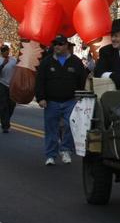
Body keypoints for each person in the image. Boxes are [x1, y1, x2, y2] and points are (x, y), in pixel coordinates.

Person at [35, 35, 88, 166]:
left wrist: (80, 96)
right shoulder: (47, 62)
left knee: (72, 126)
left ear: (66, 46)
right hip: (51, 101)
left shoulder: (76, 62)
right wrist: (41, 98)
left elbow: (82, 80)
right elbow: (39, 81)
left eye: (60, 44)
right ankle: (50, 155)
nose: (57, 46)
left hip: (71, 101)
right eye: (55, 44)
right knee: (51, 129)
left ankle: (65, 150)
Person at [94, 18, 120, 90]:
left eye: (116, 36)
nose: (113, 39)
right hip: (118, 92)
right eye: (112, 36)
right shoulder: (106, 51)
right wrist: (112, 75)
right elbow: (98, 71)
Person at [0, 44, 18, 132]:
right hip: (1, 84)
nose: (6, 52)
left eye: (7, 50)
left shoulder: (13, 60)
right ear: (1, 52)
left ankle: (7, 120)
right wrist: (3, 65)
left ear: (9, 50)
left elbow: (18, 70)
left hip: (11, 85)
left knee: (12, 105)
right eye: (3, 51)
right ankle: (5, 125)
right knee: (3, 106)